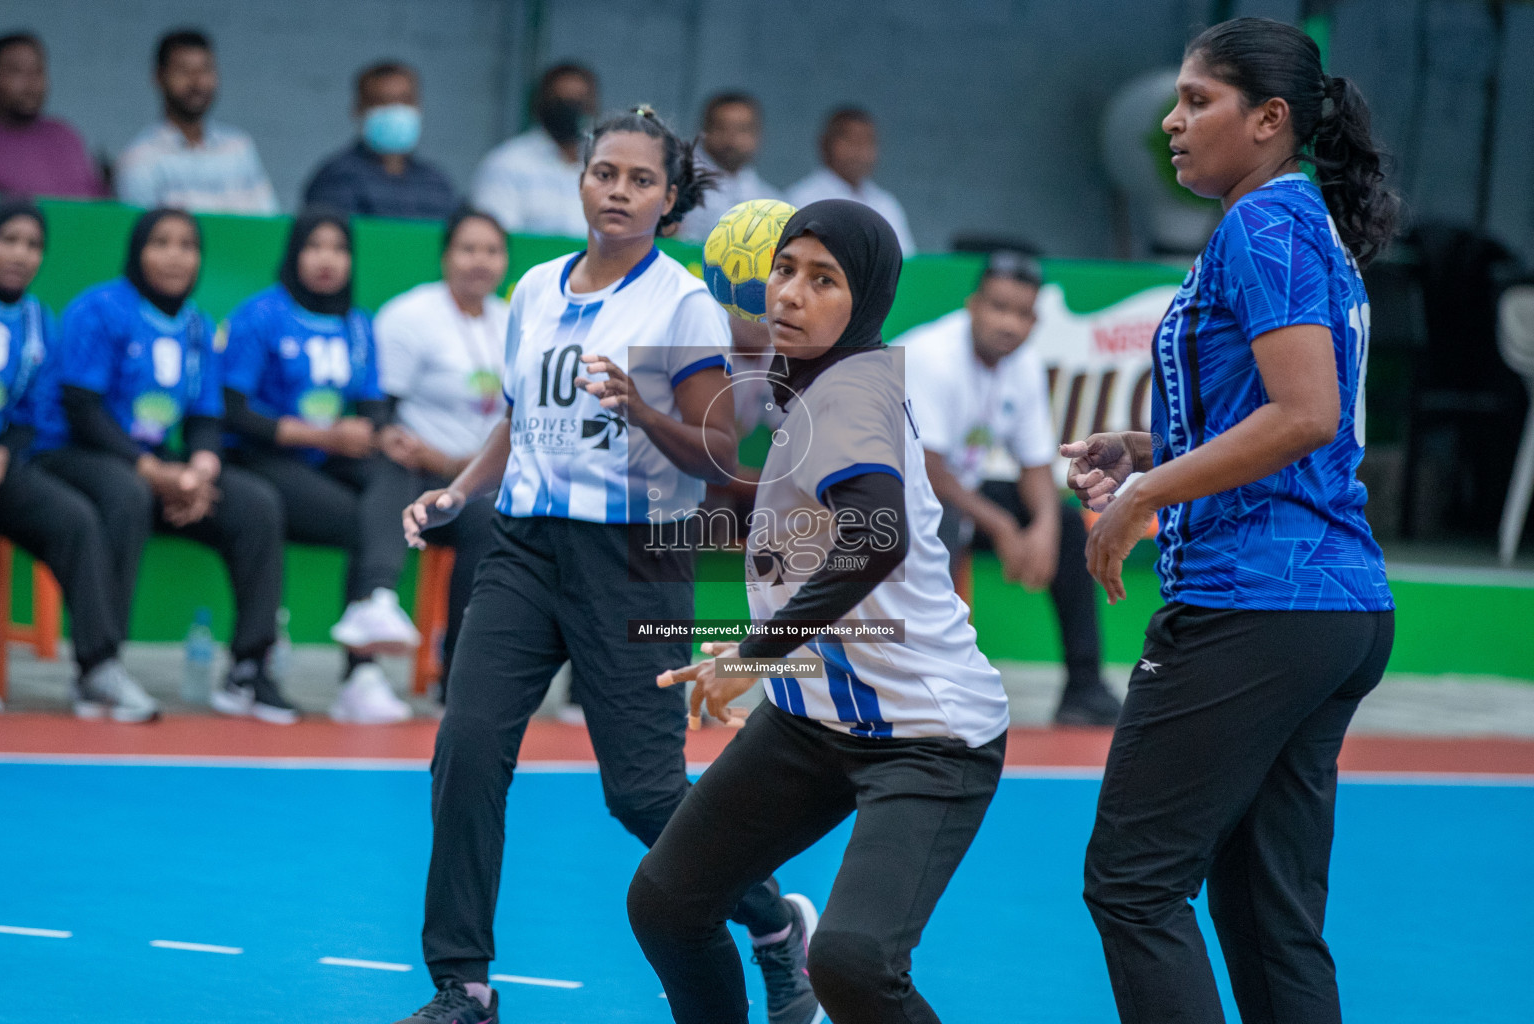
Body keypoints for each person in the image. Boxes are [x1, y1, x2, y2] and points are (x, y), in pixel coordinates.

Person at [391, 107, 810, 1024]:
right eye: (604, 173)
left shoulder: (681, 304)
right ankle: (461, 985)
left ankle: (776, 927)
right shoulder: (536, 288)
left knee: (645, 795)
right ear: (582, 181)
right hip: (523, 548)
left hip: (633, 558)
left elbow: (718, 452)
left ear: (669, 200)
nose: (618, 191)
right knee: (465, 751)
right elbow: (516, 418)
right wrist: (459, 492)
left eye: (640, 180)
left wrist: (641, 408)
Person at [1065, 18, 1399, 1024]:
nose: (1171, 121)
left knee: (1132, 883)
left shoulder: (1266, 226)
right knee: (1266, 913)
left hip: (1260, 601)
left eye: (1197, 100)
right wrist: (1150, 450)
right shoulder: (1294, 225)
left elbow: (1306, 415)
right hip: (1326, 607)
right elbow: (1287, 422)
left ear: (1270, 119)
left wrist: (1143, 500)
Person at [626, 200, 1009, 1024]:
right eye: (786, 271)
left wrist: (754, 654)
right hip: (814, 721)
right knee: (667, 901)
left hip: (927, 739)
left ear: (863, 298)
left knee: (853, 963)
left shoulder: (849, 394)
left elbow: (878, 539)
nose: (792, 294)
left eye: (823, 280)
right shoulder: (816, 388)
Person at [31, 209, 291, 722]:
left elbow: (204, 418)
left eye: (188, 245)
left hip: (155, 460)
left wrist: (199, 470)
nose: (176, 256)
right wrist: (152, 472)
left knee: (256, 504)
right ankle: (98, 668)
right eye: (161, 243)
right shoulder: (99, 309)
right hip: (73, 452)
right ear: (137, 251)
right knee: (126, 494)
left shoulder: (196, 324)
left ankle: (247, 668)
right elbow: (82, 410)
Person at [898, 250, 1122, 726]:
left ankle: (1084, 688)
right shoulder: (932, 356)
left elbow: (1035, 464)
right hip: (884, 499)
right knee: (949, 517)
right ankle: (928, 683)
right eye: (999, 307)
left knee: (1063, 520)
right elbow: (928, 469)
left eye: (1022, 313)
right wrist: (1003, 526)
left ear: (1035, 319)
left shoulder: (1019, 366)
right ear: (972, 305)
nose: (1010, 324)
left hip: (953, 498)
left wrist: (1040, 527)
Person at [221, 209, 418, 725]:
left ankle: (375, 605)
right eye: (315, 247)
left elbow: (372, 405)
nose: (327, 260)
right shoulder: (260, 315)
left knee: (397, 472)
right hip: (262, 458)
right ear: (294, 253)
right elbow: (235, 413)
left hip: (329, 460)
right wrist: (323, 435)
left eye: (339, 248)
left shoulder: (357, 324)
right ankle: (340, 669)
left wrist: (381, 433)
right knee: (366, 522)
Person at [0, 202, 156, 720]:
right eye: (9, 239)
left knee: (78, 520)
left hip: (5, 469)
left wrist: (5, 452)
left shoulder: (38, 321)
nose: (21, 254)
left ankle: (98, 668)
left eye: (33, 244)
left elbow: (31, 413)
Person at [372, 208, 510, 699]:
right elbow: (383, 416)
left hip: (484, 482)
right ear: (446, 255)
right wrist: (438, 463)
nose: (481, 261)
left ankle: (461, 677)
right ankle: (380, 632)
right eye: (469, 249)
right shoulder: (408, 317)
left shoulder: (513, 322)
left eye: (492, 251)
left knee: (497, 521)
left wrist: (465, 469)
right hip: (418, 480)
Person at [114, 29, 278, 215]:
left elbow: (268, 225)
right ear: (159, 77)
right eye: (184, 71)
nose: (197, 82)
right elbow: (142, 239)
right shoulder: (140, 160)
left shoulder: (239, 148)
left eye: (205, 70)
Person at [303, 61, 457, 220]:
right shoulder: (336, 179)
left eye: (405, 100)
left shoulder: (436, 183)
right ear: (358, 109)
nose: (396, 110)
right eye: (383, 102)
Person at [470, 62, 599, 238]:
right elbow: (493, 241)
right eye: (563, 102)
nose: (572, 111)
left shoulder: (605, 166)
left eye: (580, 102)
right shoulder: (507, 164)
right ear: (540, 104)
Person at [787, 108, 915, 256]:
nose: (860, 151)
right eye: (851, 141)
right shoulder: (801, 200)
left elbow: (907, 261)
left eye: (868, 142)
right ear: (825, 143)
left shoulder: (886, 203)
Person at [0, 33, 106, 200]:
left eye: (38, 71)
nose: (31, 83)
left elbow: (98, 204)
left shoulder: (65, 136)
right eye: (17, 71)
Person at [676, 92, 780, 243]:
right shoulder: (676, 183)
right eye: (722, 128)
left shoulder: (770, 199)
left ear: (758, 135)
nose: (732, 139)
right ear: (703, 131)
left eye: (742, 129)